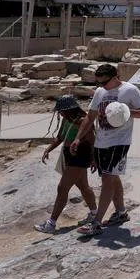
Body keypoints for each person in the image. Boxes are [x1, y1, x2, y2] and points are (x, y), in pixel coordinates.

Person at [75, 64, 140, 236]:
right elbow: (90, 116)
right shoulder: (100, 92)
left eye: (105, 82)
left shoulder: (130, 90)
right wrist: (78, 138)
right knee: (112, 177)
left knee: (107, 177)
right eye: (99, 83)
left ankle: (97, 222)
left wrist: (126, 111)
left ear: (115, 76)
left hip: (120, 141)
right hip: (102, 141)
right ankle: (121, 212)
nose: (102, 86)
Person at [34, 95, 97, 233]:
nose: (60, 113)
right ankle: (94, 213)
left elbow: (92, 140)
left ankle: (51, 223)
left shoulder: (82, 121)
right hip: (69, 155)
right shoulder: (67, 119)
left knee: (62, 188)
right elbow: (61, 137)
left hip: (80, 156)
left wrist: (94, 158)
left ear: (70, 109)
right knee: (84, 187)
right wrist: (48, 149)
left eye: (62, 110)